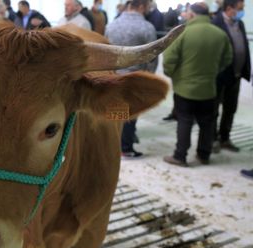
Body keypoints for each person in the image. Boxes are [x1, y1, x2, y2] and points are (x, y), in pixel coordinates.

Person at [162, 3, 233, 167]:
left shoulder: (182, 33)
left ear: (192, 15)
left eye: (187, 13)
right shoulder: (220, 34)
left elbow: (168, 61)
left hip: (184, 89)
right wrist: (213, 72)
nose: (185, 15)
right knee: (207, 123)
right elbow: (228, 59)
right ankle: (204, 155)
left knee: (184, 121)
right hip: (209, 88)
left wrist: (175, 76)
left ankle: (180, 156)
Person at [105, 0, 157, 159]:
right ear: (141, 6)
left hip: (114, 76)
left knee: (116, 113)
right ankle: (125, 148)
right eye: (147, 6)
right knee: (130, 114)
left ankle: (114, 144)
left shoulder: (112, 25)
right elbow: (152, 57)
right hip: (135, 77)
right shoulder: (147, 27)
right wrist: (150, 76)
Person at [211, 0, 250, 152]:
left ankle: (224, 138)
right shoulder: (215, 24)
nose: (242, 11)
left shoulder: (239, 24)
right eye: (240, 8)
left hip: (236, 75)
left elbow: (243, 46)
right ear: (229, 8)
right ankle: (212, 139)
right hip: (219, 76)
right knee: (213, 110)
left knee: (230, 109)